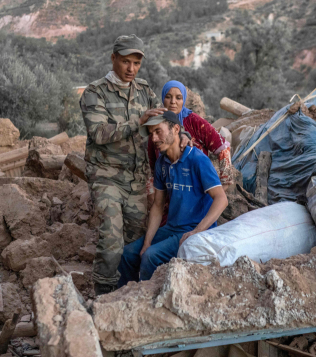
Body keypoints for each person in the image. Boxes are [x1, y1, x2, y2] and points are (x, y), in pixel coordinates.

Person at [80, 34, 191, 296]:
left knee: (135, 241)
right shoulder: (95, 93)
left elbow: (164, 118)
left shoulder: (143, 90)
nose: (131, 69)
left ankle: (129, 291)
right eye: (126, 62)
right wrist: (138, 122)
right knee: (111, 236)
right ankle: (104, 295)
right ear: (113, 59)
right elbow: (98, 133)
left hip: (137, 178)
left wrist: (181, 132)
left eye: (136, 64)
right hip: (106, 176)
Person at [118, 111, 228, 287]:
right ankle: (124, 297)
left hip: (193, 231)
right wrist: (147, 242)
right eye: (151, 133)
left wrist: (197, 231)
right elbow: (158, 205)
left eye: (158, 131)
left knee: (150, 256)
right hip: (171, 228)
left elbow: (221, 199)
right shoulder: (162, 163)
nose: (154, 138)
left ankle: (146, 300)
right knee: (129, 253)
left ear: (176, 129)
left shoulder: (197, 160)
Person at [147, 80, 233, 224]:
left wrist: (224, 185)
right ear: (163, 99)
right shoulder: (157, 126)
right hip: (170, 195)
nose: (173, 102)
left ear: (184, 100)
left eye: (178, 98)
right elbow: (153, 165)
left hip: (196, 193)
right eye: (168, 97)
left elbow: (223, 147)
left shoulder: (193, 121)